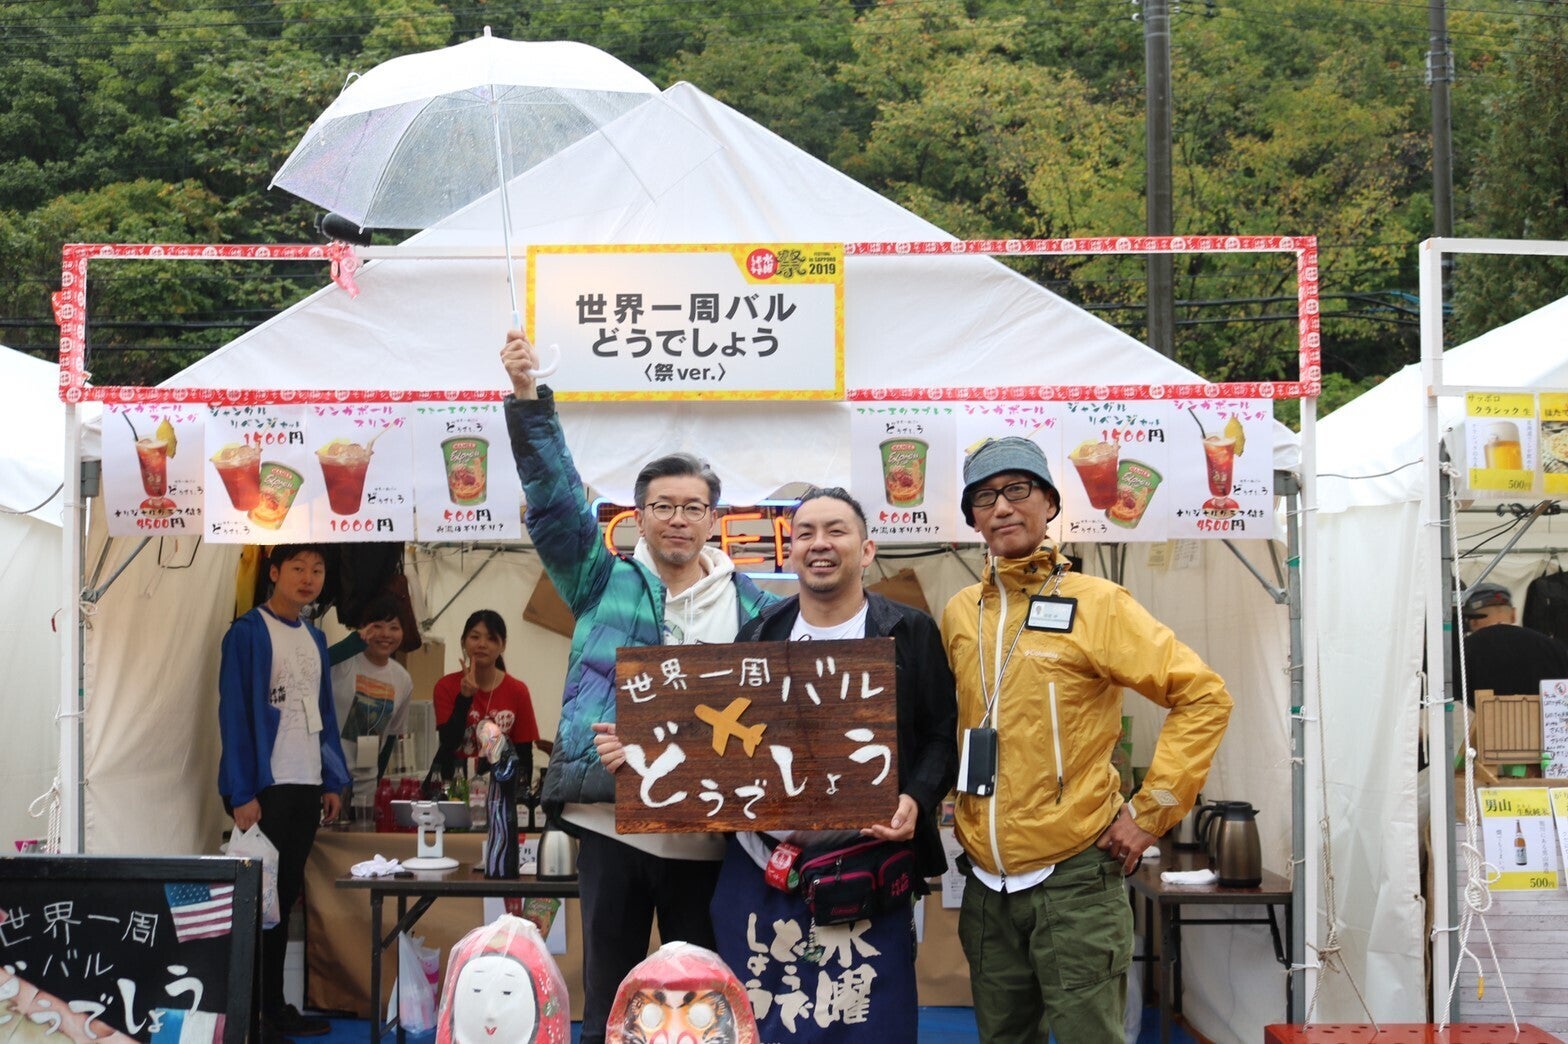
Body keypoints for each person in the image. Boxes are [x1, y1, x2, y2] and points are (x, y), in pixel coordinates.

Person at [499, 329, 780, 1044]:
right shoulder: (602, 581)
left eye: (693, 506)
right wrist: (529, 398)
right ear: (639, 515)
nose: (678, 519)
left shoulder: (755, 608)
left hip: (708, 841)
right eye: (663, 505)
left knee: (704, 1009)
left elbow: (779, 714)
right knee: (609, 1003)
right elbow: (556, 504)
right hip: (611, 824)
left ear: (714, 519)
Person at [595, 487, 957, 1039]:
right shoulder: (762, 632)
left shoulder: (907, 631)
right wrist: (638, 749)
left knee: (865, 1020)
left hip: (864, 867)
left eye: (836, 530)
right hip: (762, 867)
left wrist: (916, 798)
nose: (820, 543)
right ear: (792, 553)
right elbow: (714, 736)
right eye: (806, 533)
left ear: (867, 550)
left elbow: (940, 736)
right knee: (760, 1020)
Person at [939, 437, 1233, 1043]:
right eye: (984, 497)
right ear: (972, 518)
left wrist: (1151, 812)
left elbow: (1203, 696)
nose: (1002, 507)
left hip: (1073, 880)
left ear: (1049, 503)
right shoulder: (960, 613)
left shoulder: (1098, 603)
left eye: (1017, 489)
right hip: (986, 887)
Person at [217, 544, 351, 1041]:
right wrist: (241, 791)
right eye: (297, 568)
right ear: (274, 572)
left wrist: (332, 779)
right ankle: (252, 1011)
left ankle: (273, 1007)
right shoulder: (247, 632)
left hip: (305, 783)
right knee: (258, 903)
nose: (308, 578)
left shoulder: (315, 637)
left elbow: (325, 715)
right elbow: (233, 714)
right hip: (263, 787)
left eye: (317, 570)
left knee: (284, 897)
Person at [432, 610, 540, 785]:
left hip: (500, 787)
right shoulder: (446, 686)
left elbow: (524, 754)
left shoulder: (518, 691)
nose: (482, 644)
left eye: (491, 638)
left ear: (503, 645)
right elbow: (449, 743)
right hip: (454, 784)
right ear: (463, 641)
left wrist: (520, 793)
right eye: (475, 637)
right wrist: (464, 698)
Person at [330, 593, 413, 815]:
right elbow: (318, 662)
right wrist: (352, 643)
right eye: (377, 626)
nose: (386, 634)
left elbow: (391, 736)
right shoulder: (343, 663)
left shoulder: (402, 679)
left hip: (365, 794)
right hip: (329, 786)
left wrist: (376, 785)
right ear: (363, 628)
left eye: (394, 627)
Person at [1460, 580, 1568, 705]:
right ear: (1513, 614)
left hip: (1483, 717)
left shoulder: (1462, 651)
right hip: (1545, 717)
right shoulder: (1554, 648)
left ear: (1472, 621)